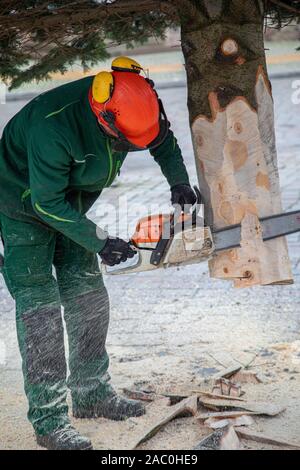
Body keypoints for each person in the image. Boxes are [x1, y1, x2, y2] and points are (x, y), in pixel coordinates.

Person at [0, 56, 196, 450]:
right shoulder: (51, 127)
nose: (126, 148)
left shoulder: (134, 101)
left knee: (88, 293)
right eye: (122, 142)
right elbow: (47, 203)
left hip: (70, 202)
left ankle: (91, 393)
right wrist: (101, 242)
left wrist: (179, 182)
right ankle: (49, 420)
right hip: (23, 206)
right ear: (103, 118)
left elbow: (161, 138)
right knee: (41, 310)